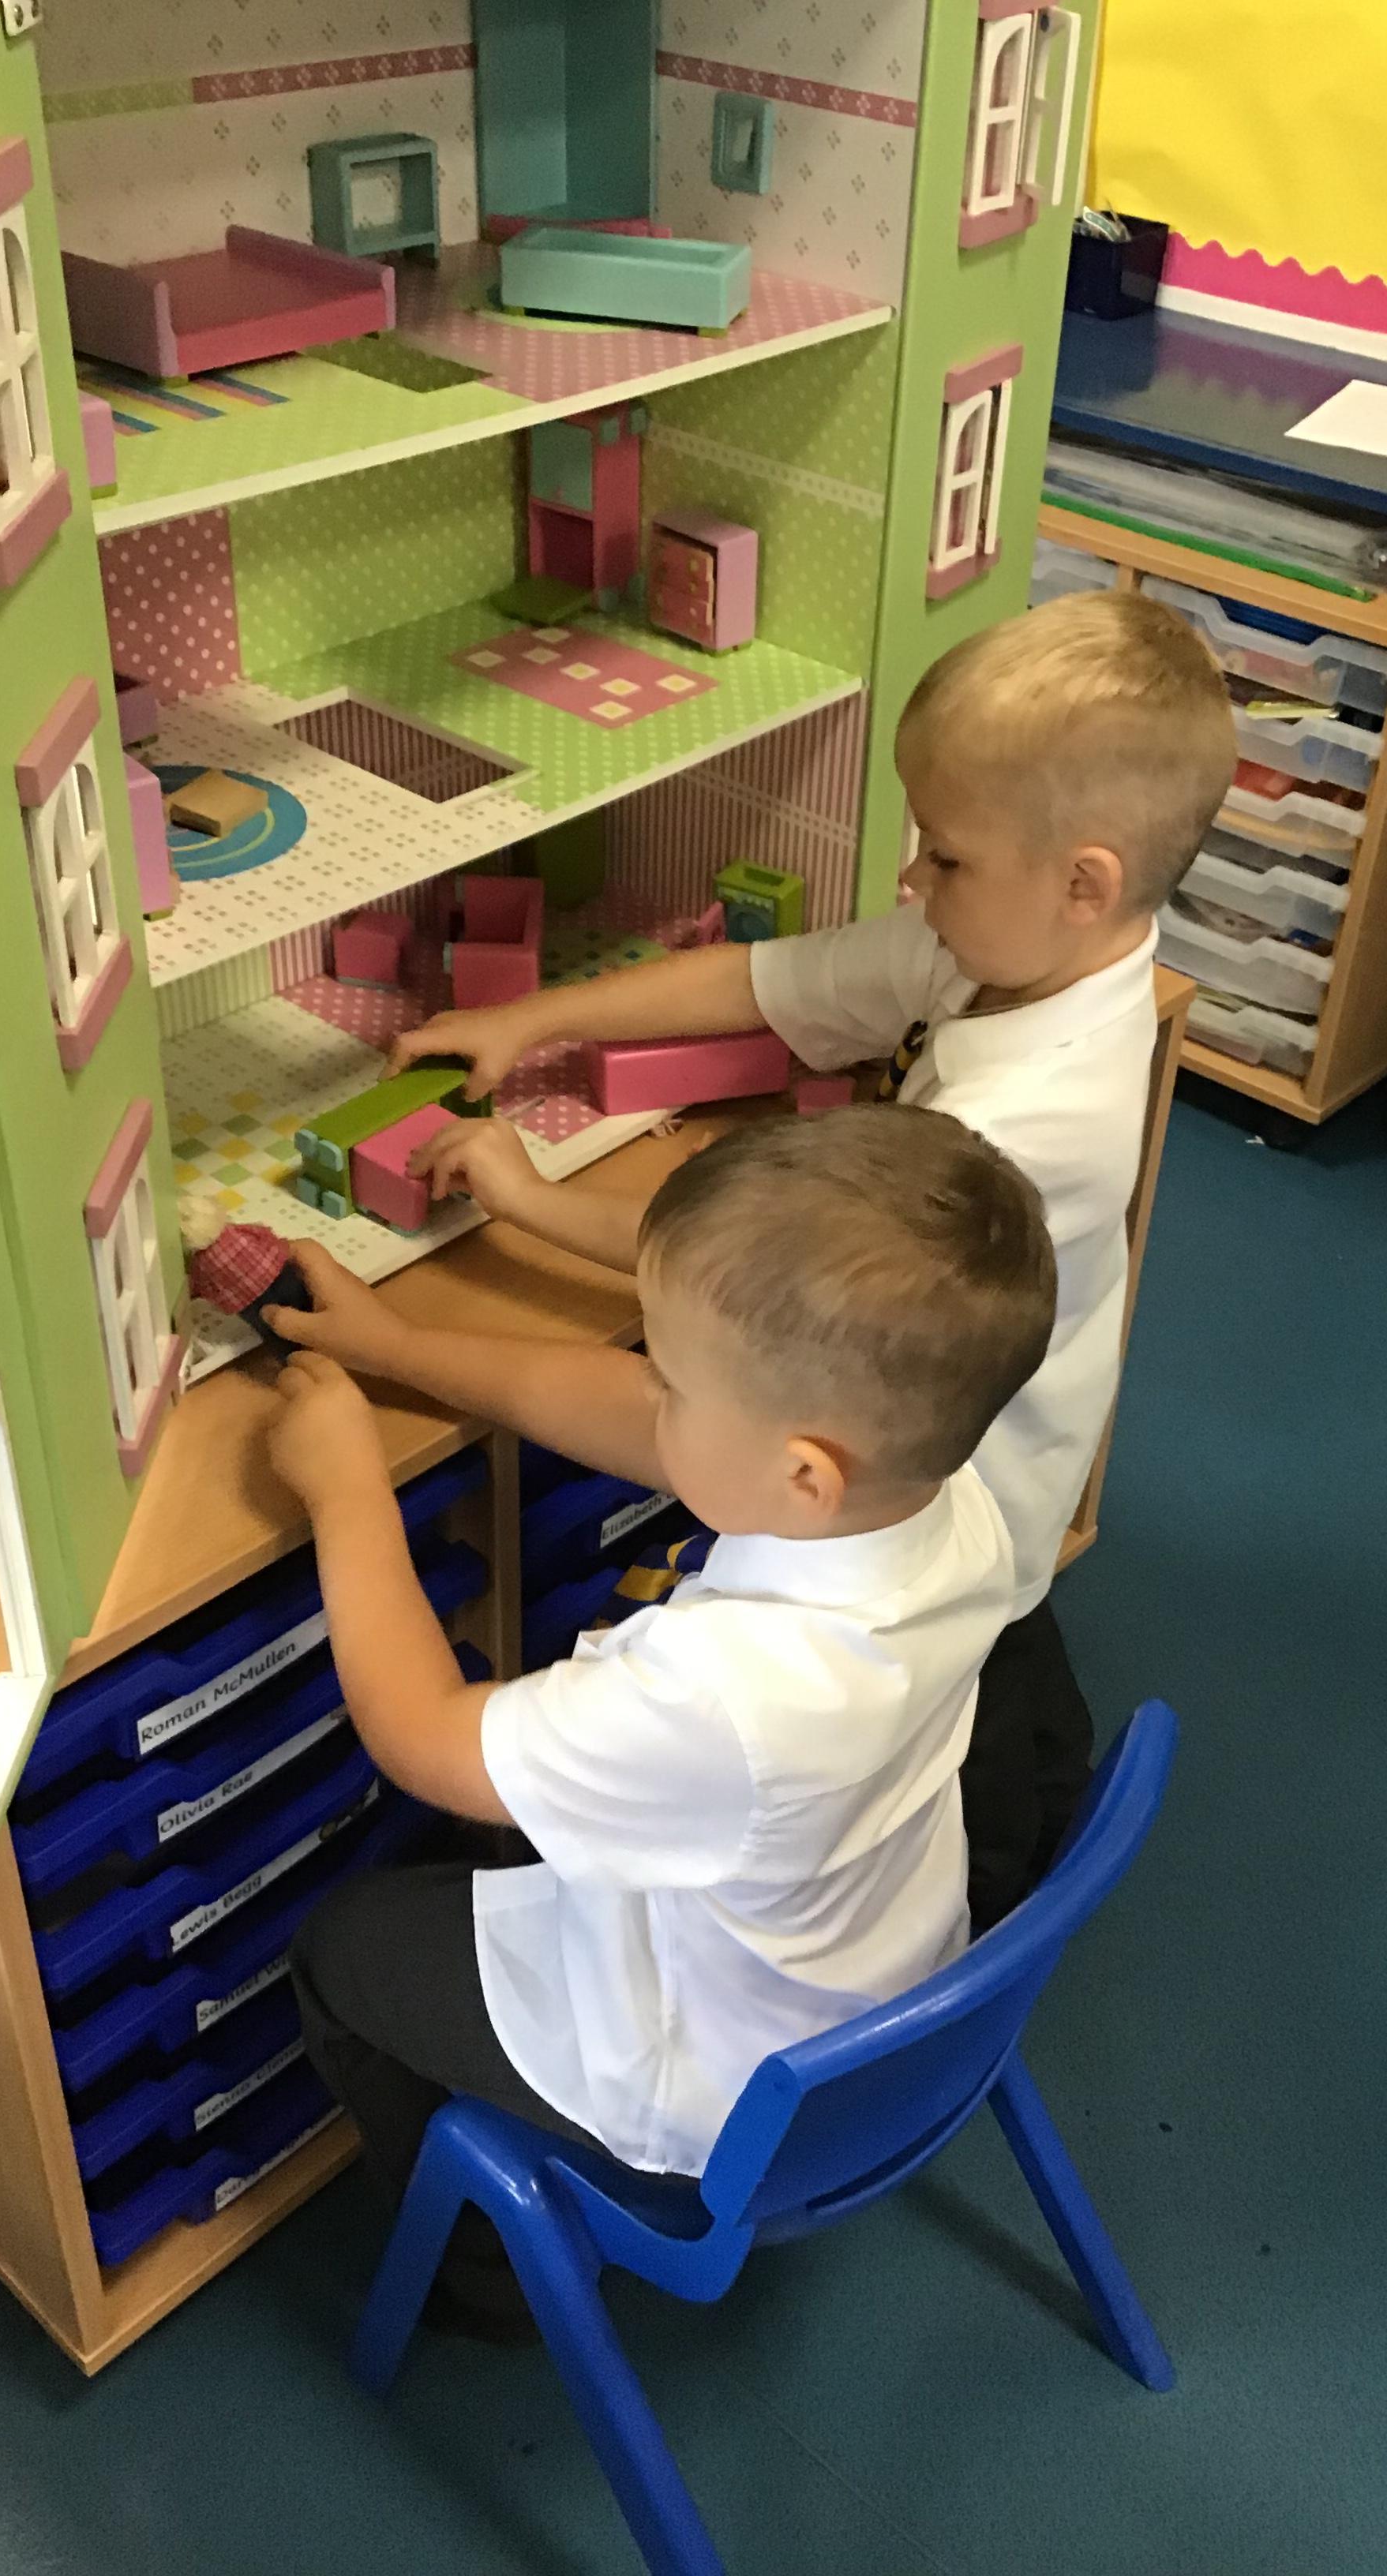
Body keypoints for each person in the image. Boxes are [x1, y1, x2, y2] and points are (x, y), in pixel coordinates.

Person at [374, 588, 1236, 1924]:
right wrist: (534, 1020)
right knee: (970, 1664)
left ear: (1085, 883)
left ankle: (980, 1841)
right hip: (957, 1461)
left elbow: (743, 1275)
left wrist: (526, 1204)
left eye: (945, 857)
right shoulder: (1022, 960)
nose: (912, 882)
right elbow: (771, 982)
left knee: (951, 1696)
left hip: (947, 1504)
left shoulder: (1023, 1125)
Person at [265, 1106, 1057, 2336]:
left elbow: (420, 1736)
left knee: (346, 1947)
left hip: (720, 2090)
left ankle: (491, 2273)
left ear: (804, 1473)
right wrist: (399, 1347)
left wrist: (346, 1488)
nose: (651, 1392)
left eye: (672, 1379)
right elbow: (642, 1428)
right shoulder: (948, 1509)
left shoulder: (723, 1692)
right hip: (886, 1979)